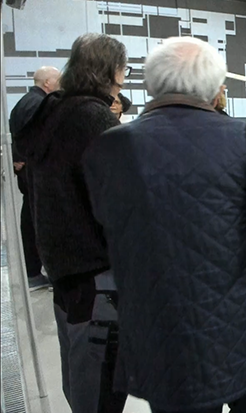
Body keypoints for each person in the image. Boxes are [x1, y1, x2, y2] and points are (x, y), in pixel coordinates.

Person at [82, 37, 246, 413]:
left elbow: (100, 233)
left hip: (158, 336)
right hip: (244, 333)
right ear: (216, 87)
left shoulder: (110, 147)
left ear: (151, 83)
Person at [14, 34, 128, 412]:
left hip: (64, 275)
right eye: (123, 70)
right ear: (111, 72)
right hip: (98, 282)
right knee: (100, 394)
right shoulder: (94, 119)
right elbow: (122, 203)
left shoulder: (50, 114)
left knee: (80, 389)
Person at [9, 65, 60, 291]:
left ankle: (33, 272)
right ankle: (39, 272)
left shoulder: (24, 102)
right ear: (47, 82)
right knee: (38, 221)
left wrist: (18, 158)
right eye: (58, 79)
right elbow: (36, 137)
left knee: (30, 218)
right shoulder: (39, 104)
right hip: (34, 171)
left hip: (26, 170)